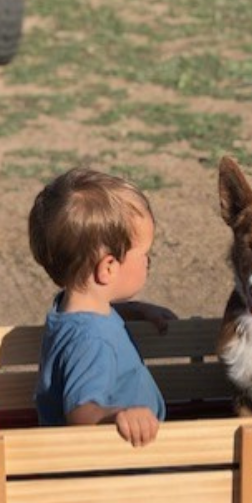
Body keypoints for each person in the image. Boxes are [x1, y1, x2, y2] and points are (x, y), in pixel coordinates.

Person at [28, 168, 174, 447]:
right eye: (145, 254)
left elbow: (96, 317)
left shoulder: (73, 309)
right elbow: (80, 411)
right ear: (108, 267)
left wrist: (136, 310)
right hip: (114, 466)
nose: (148, 262)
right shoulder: (92, 341)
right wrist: (121, 416)